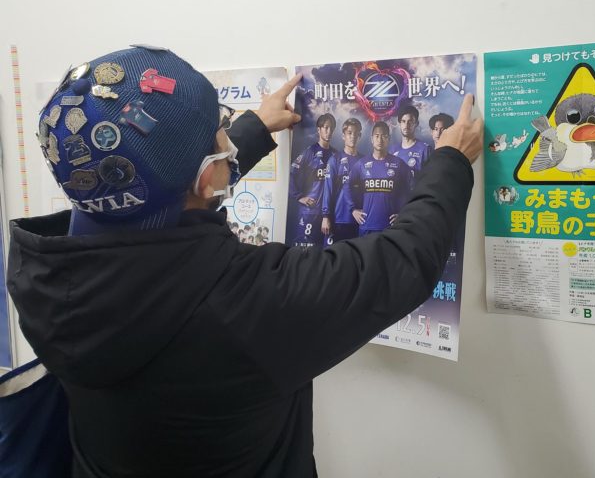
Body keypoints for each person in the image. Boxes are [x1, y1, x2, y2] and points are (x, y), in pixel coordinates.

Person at [7, 46, 482, 477]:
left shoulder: (48, 271)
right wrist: (450, 162)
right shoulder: (248, 303)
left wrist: (250, 132)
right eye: (222, 133)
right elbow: (405, 259)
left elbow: (164, 186)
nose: (227, 139)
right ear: (204, 175)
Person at [350, 121, 412, 235]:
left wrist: (404, 213)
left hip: (390, 228)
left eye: (384, 136)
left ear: (388, 139)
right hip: (367, 226)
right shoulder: (361, 164)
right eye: (377, 136)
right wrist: (353, 209)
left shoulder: (399, 164)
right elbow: (347, 186)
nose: (380, 140)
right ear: (371, 139)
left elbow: (411, 189)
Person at [288, 113, 336, 248]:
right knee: (305, 251)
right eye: (326, 127)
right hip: (310, 212)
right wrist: (299, 197)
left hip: (329, 214)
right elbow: (291, 173)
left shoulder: (335, 155)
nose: (329, 131)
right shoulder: (309, 152)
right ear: (318, 130)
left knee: (327, 252)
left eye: (331, 128)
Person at [321, 118, 363, 244]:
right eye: (349, 133)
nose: (353, 136)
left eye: (356, 133)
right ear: (343, 136)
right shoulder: (335, 160)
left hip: (359, 220)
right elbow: (328, 189)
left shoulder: (364, 161)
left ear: (360, 136)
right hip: (338, 219)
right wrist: (325, 216)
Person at [391, 105, 431, 176]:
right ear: (399, 124)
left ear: (416, 124)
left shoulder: (425, 150)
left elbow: (431, 177)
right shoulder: (392, 150)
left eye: (410, 121)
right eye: (403, 121)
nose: (406, 125)